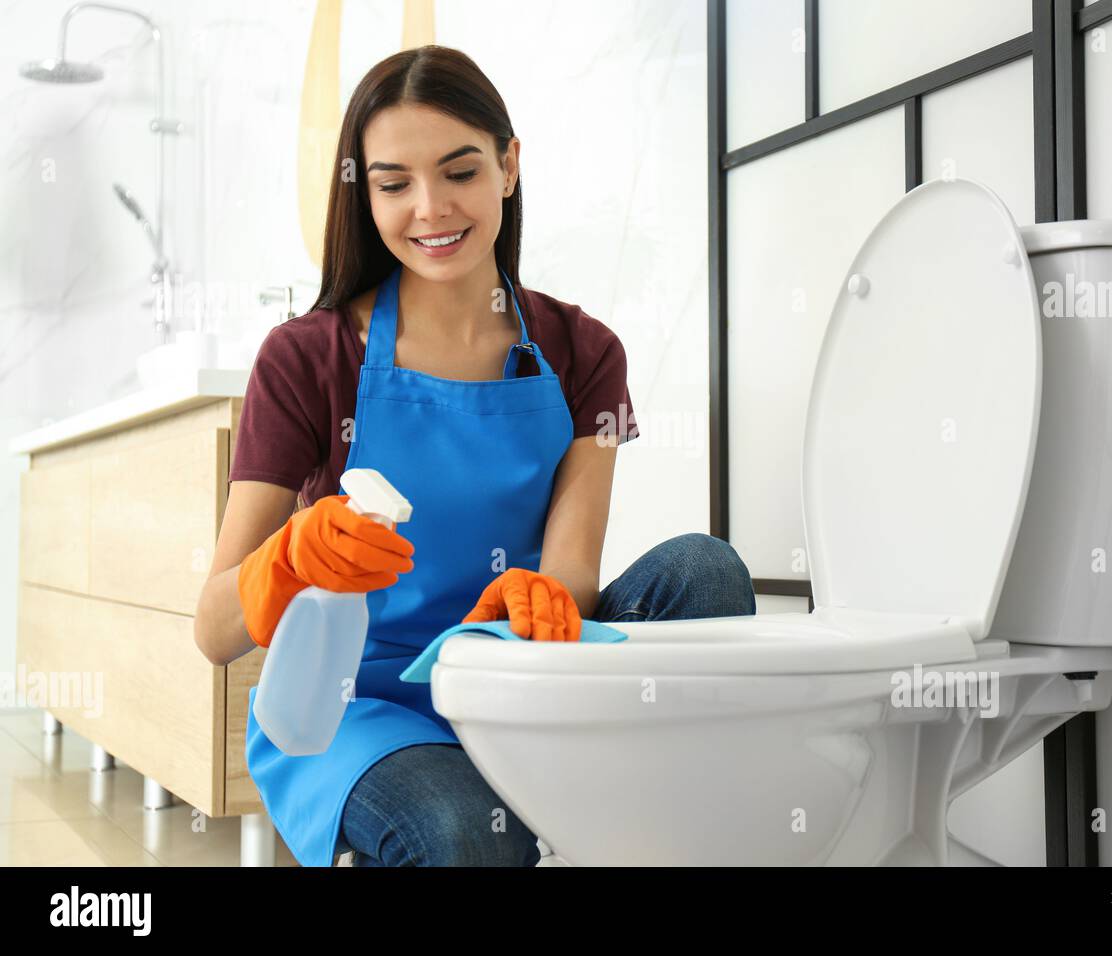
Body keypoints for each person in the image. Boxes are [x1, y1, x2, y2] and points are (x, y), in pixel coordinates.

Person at [191, 44, 756, 867]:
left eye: (460, 172)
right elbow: (213, 631)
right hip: (365, 706)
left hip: (518, 677)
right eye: (394, 185)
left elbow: (574, 574)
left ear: (509, 166)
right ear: (365, 194)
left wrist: (541, 596)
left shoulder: (583, 350)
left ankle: (642, 825)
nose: (431, 208)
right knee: (465, 837)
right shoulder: (310, 357)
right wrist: (287, 559)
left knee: (706, 571)